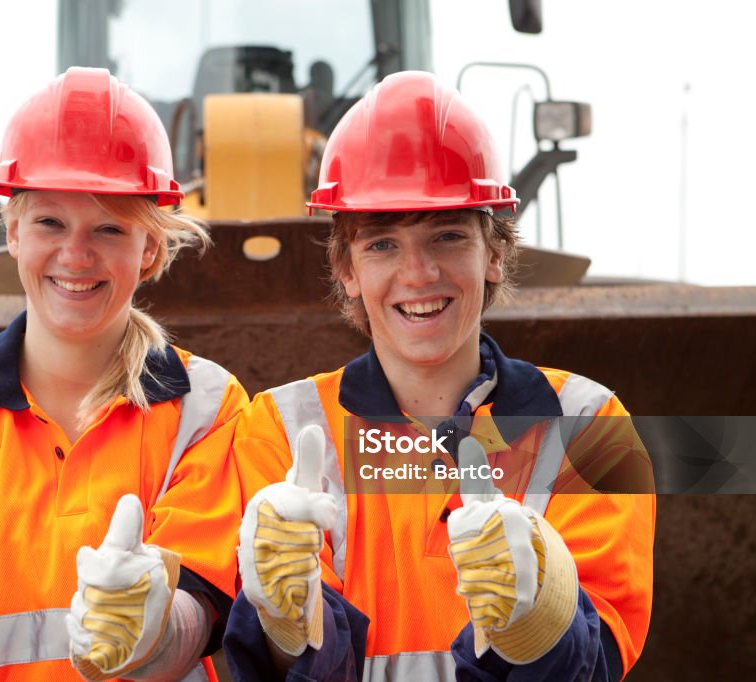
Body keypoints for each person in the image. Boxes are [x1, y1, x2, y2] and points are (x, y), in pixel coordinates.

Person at [224, 71, 654, 681]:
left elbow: (601, 658)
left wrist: (538, 621)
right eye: (382, 245)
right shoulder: (279, 428)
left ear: (496, 254)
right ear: (346, 269)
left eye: (448, 236)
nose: (418, 273)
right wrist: (288, 623)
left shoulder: (590, 425)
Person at [0, 67, 248, 681]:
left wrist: (152, 628)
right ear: (11, 232)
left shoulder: (208, 408)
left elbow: (208, 608)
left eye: (109, 228)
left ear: (149, 248)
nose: (76, 255)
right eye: (49, 223)